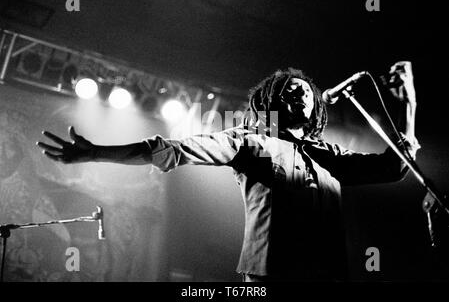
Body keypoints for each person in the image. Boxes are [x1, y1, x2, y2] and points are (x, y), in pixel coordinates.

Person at [37, 61, 419, 282]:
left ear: (316, 105)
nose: (299, 92)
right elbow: (175, 150)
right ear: (272, 100)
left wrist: (409, 107)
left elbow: (394, 166)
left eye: (304, 89)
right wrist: (98, 152)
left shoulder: (330, 155)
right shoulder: (250, 141)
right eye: (289, 89)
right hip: (272, 275)